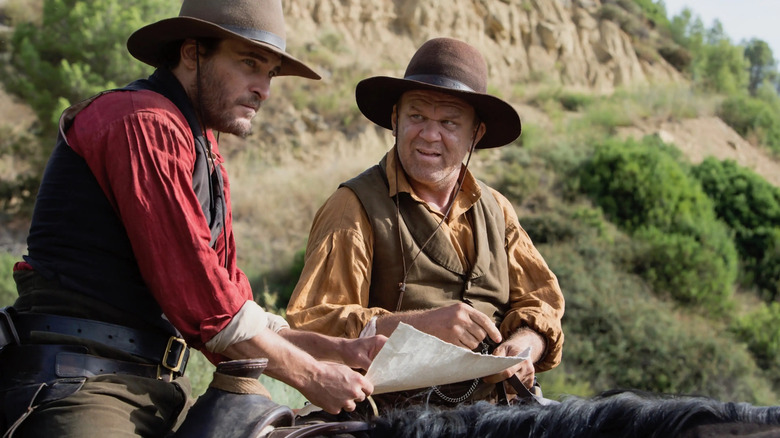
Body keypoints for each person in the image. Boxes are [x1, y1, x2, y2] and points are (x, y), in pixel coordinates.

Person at [0, 0, 385, 436]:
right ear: (192, 53)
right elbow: (208, 306)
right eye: (249, 63)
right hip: (82, 383)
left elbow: (234, 306)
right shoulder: (143, 123)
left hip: (152, 388)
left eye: (270, 73)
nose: (264, 89)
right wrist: (311, 376)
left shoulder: (200, 147)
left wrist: (336, 349)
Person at [286, 37, 565, 411]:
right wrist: (420, 326)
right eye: (417, 117)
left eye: (449, 122)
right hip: (390, 420)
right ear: (396, 120)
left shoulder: (497, 210)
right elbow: (312, 326)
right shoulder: (352, 206)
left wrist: (526, 346)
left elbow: (542, 302)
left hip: (500, 416)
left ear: (475, 135)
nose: (430, 135)